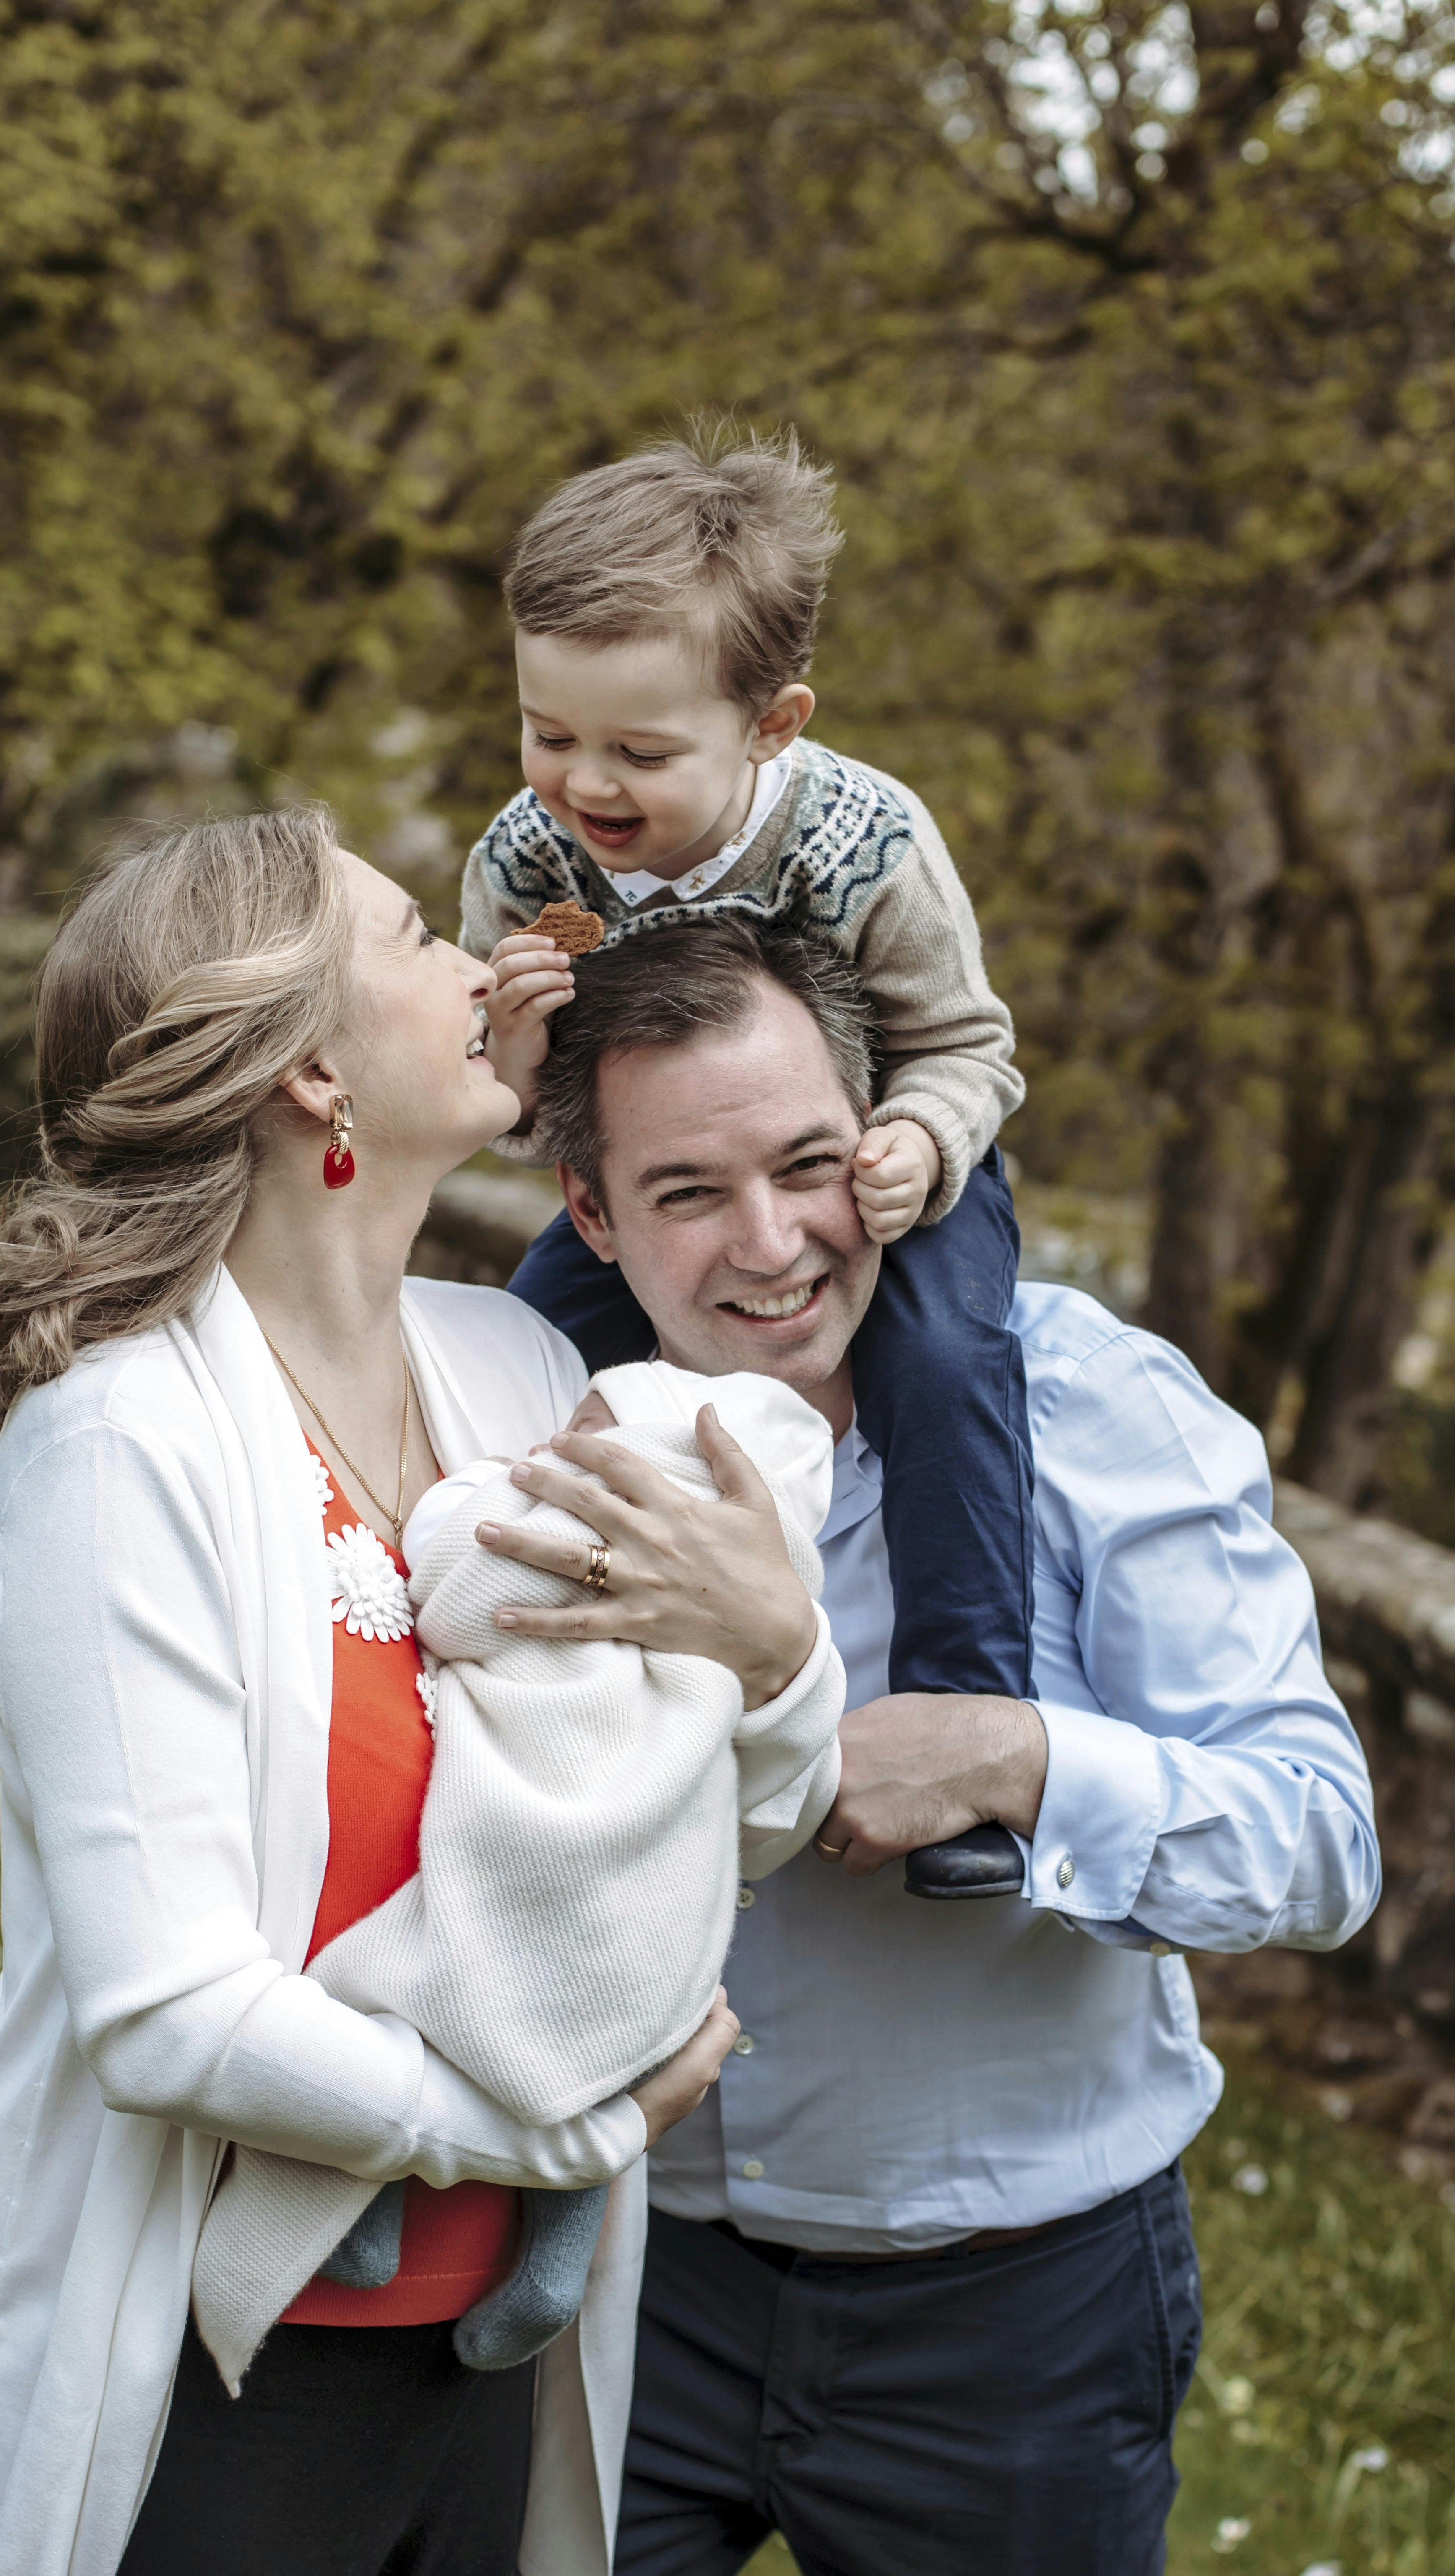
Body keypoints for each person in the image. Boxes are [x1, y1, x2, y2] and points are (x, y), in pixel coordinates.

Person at [0, 809, 836, 2576]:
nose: (484, 969)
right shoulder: (120, 1438)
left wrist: (775, 1656)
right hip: (200, 2382)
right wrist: (566, 2126)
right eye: (415, 937)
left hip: (493, 2370)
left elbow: (721, 1806)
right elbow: (162, 2013)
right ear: (313, 1067)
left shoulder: (522, 1364)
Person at [507, 914, 1382, 2576]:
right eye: (688, 1190)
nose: (770, 1242)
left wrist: (1019, 1758)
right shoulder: (532, 1434)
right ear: (593, 1210)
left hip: (1013, 2318)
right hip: (623, 2272)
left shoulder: (1093, 1406)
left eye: (809, 1162)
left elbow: (1322, 1840)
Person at [461, 424, 1032, 1896]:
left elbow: (971, 1046)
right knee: (514, 1349)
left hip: (883, 1171)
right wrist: (512, 1068)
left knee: (950, 1362)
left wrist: (915, 1137)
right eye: (547, 732)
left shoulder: (867, 846)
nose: (579, 783)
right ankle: (497, 1697)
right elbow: (504, 1103)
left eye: (639, 753)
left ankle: (968, 1706)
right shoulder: (530, 865)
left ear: (771, 724)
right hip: (651, 1191)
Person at [193, 1357, 845, 2391]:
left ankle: (364, 2190)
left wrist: (472, 1490)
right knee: (609, 2042)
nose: (553, 1439)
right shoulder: (749, 1589)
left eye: (588, 1425)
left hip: (552, 1844)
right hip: (661, 1892)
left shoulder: (569, 1527)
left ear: (632, 1457)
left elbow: (454, 1591)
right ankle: (551, 2261)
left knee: (413, 1984)